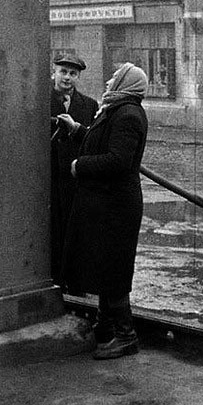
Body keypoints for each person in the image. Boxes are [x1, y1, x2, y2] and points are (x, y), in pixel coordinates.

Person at [58, 63, 149, 361]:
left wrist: (79, 166)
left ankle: (125, 336)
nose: (109, 80)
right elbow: (101, 141)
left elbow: (118, 160)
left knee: (114, 267)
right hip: (108, 203)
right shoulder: (116, 109)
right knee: (104, 263)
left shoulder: (128, 114)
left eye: (115, 76)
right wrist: (77, 131)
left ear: (125, 82)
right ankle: (105, 326)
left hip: (117, 205)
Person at [50, 54, 98, 286]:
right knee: (52, 230)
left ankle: (74, 281)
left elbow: (92, 141)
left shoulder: (89, 105)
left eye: (72, 74)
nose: (67, 78)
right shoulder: (41, 99)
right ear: (54, 72)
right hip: (48, 179)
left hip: (74, 179)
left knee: (75, 231)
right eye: (63, 72)